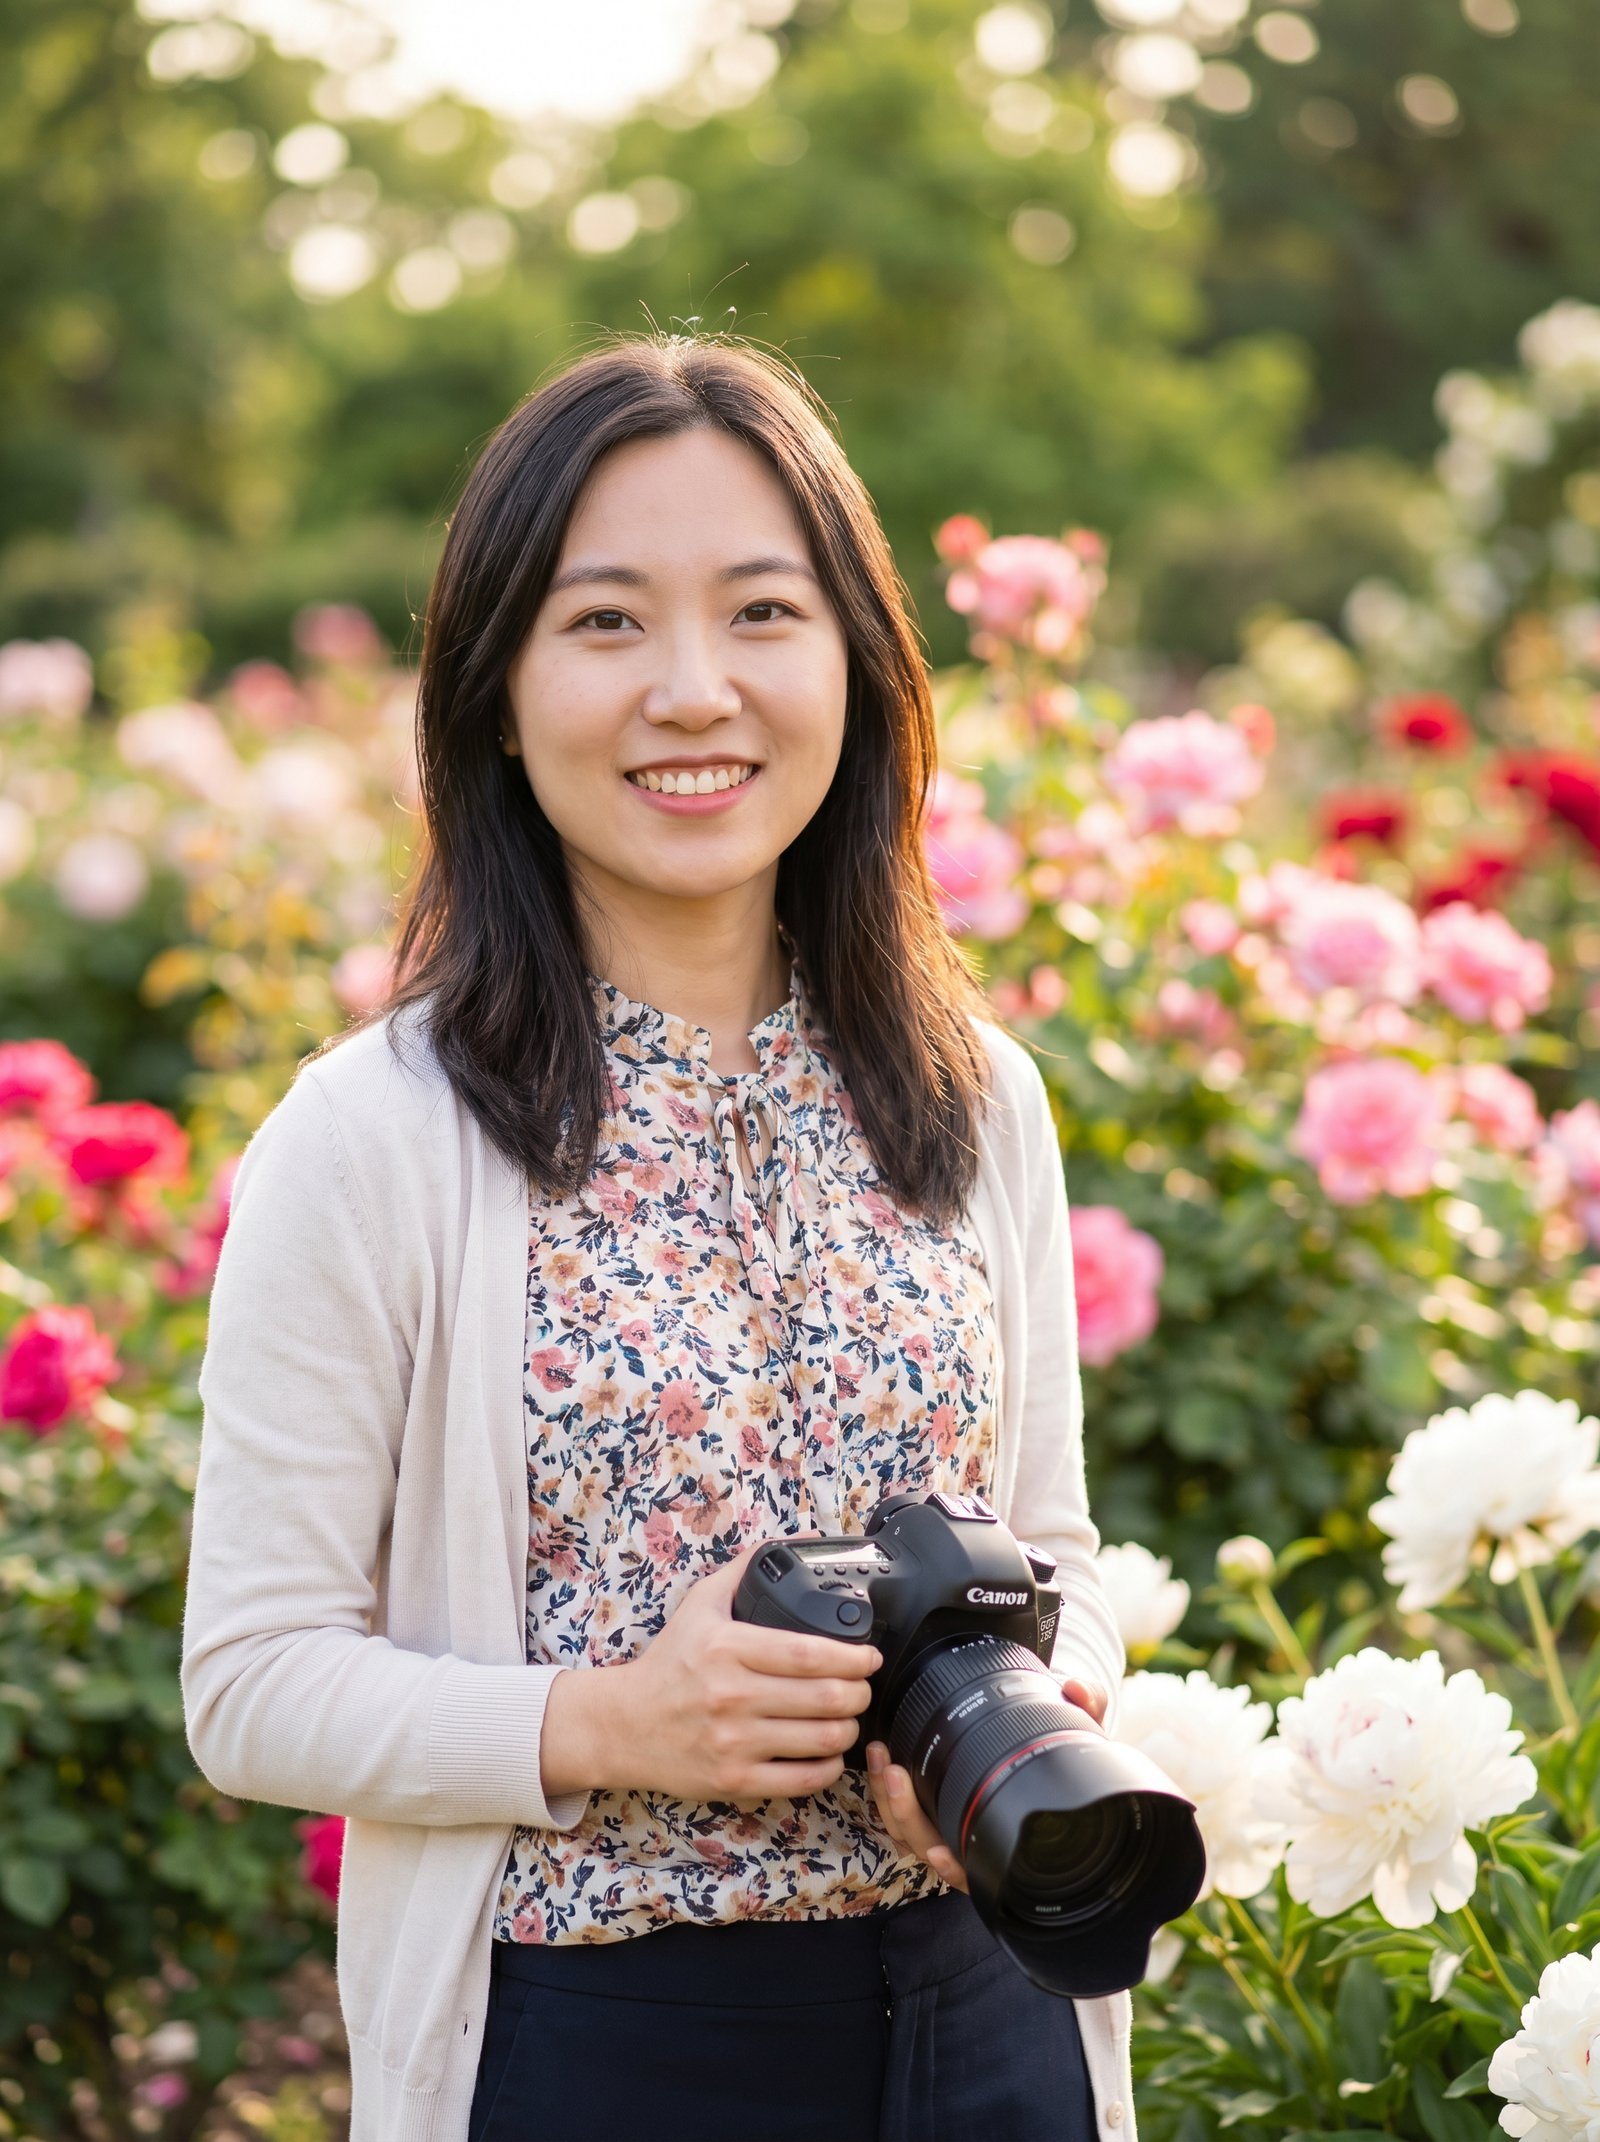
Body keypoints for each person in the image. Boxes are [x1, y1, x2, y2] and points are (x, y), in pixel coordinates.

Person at [180, 330, 1132, 2142]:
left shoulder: (974, 1090)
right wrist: (608, 1722)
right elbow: (250, 1679)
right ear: (496, 687)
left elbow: (1060, 1540)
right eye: (606, 622)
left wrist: (1042, 1693)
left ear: (856, 659)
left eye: (763, 612)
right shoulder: (376, 1138)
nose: (695, 690)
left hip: (991, 2015)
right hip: (603, 2048)